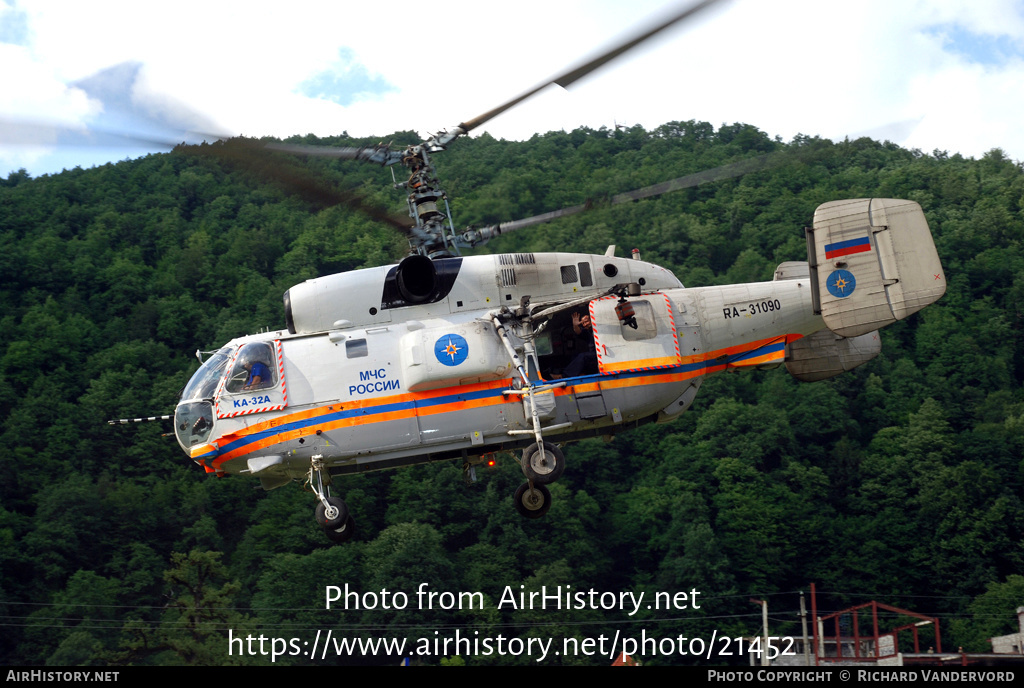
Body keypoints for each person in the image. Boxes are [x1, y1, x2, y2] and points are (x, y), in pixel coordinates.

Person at [563, 310, 597, 377]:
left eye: (586, 321)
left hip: (601, 356)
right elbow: (579, 332)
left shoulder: (598, 329)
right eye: (583, 323)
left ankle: (565, 375)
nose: (585, 324)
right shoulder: (588, 332)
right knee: (575, 355)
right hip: (593, 357)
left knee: (583, 356)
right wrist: (575, 325)